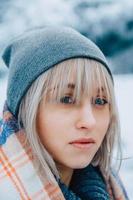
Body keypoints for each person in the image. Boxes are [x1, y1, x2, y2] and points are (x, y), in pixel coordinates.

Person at [0, 26, 129, 200]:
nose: (89, 121)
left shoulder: (109, 189)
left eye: (100, 101)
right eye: (66, 99)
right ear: (24, 110)